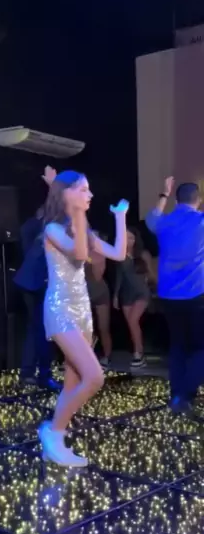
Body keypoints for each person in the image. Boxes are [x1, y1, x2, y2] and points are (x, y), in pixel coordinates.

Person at [38, 171, 128, 467]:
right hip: (60, 309)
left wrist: (120, 217)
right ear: (66, 193)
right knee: (95, 377)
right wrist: (78, 215)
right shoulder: (53, 229)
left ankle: (55, 443)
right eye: (83, 190)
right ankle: (53, 432)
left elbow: (118, 253)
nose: (90, 195)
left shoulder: (84, 230)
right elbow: (78, 255)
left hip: (83, 311)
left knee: (72, 383)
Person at [146, 177, 204, 414]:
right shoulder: (201, 221)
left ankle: (177, 395)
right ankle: (185, 395)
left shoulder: (164, 222)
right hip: (196, 294)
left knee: (178, 345)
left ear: (176, 200)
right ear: (199, 201)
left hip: (168, 296)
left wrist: (164, 194)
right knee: (200, 347)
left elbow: (151, 218)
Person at [14, 166, 60, 390]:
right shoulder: (41, 227)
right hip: (36, 283)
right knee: (42, 329)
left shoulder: (32, 227)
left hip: (32, 282)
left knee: (36, 328)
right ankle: (43, 375)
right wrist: (53, 187)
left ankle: (30, 372)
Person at [113, 227, 153, 368]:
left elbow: (151, 274)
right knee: (131, 325)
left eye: (131, 238)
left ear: (136, 239)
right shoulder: (120, 255)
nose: (128, 241)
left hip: (142, 292)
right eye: (126, 238)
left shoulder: (143, 254)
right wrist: (115, 296)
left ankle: (138, 353)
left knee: (133, 320)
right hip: (126, 294)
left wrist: (150, 282)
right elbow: (119, 277)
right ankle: (138, 353)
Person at [85, 234, 112, 370]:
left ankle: (107, 357)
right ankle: (85, 357)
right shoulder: (77, 250)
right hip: (84, 293)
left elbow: (97, 276)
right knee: (85, 328)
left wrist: (90, 258)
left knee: (103, 327)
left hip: (100, 292)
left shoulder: (100, 254)